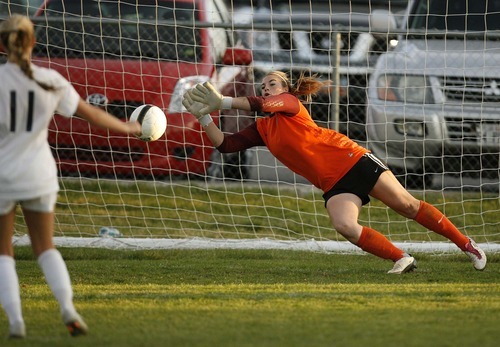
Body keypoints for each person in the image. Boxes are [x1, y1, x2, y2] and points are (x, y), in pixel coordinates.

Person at [182, 70, 487, 275]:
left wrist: (223, 101)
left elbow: (260, 103)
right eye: (263, 85)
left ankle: (467, 245)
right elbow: (226, 145)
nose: (266, 87)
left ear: (285, 90)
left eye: (272, 83)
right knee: (345, 226)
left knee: (407, 205)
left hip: (352, 159)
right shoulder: (264, 126)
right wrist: (205, 117)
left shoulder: (290, 103)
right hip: (333, 182)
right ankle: (402, 258)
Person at [0, 15, 141, 339]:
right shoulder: (50, 79)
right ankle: (67, 307)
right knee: (45, 246)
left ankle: (15, 321)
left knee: (3, 250)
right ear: (33, 42)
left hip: (3, 176)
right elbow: (94, 116)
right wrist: (130, 128)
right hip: (38, 174)